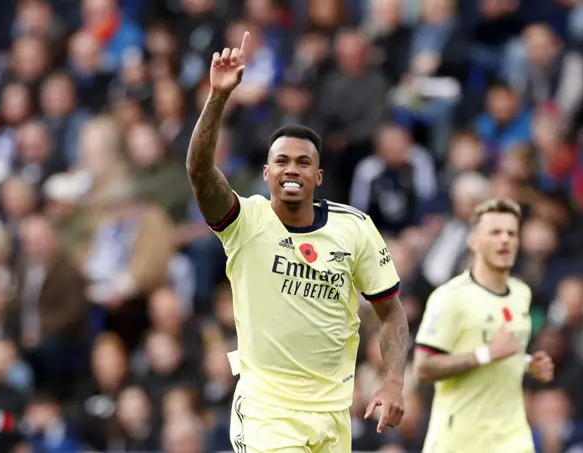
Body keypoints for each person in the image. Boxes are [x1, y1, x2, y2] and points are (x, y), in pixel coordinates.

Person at [186, 32, 410, 452]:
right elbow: (199, 171)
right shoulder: (245, 220)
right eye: (282, 161)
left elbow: (391, 311)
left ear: (318, 177)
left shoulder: (354, 228)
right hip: (266, 413)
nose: (293, 169)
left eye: (304, 162)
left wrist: (394, 380)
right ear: (267, 173)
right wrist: (218, 98)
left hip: (332, 416)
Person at [413, 198, 555, 453]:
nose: (505, 239)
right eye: (495, 232)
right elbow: (423, 369)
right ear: (473, 241)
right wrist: (486, 355)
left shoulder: (521, 293)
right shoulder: (450, 297)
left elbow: (507, 350)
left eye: (511, 233)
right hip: (460, 439)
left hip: (513, 437)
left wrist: (528, 364)